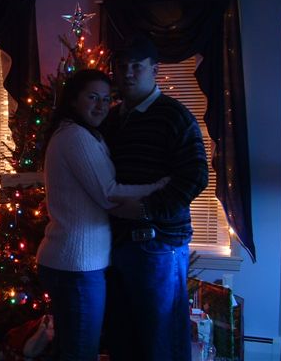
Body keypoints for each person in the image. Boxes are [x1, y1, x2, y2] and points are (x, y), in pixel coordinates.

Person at [35, 68, 168, 361]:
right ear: (73, 99)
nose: (101, 106)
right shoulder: (75, 136)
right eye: (92, 97)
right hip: (77, 265)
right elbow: (108, 193)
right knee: (81, 353)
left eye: (106, 99)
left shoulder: (83, 134)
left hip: (74, 263)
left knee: (71, 349)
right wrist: (161, 186)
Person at [102, 36, 209, 361]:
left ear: (154, 70)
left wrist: (145, 209)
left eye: (136, 66)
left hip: (158, 244)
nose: (127, 73)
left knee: (160, 341)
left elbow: (195, 176)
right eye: (121, 66)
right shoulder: (111, 119)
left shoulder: (174, 116)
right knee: (123, 339)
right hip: (116, 243)